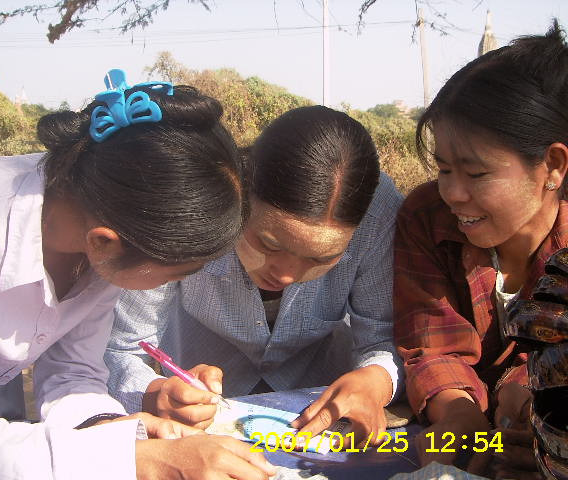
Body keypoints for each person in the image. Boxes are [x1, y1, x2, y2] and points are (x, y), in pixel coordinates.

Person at [0, 69, 275, 480]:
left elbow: (73, 372)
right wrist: (143, 464)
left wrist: (113, 430)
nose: (171, 286)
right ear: (104, 243)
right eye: (174, 273)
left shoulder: (99, 221)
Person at [106, 105, 404, 445]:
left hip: (321, 421)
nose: (287, 275)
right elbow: (121, 349)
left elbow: (383, 338)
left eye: (322, 258)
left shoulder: (379, 213)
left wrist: (376, 380)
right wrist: (153, 392)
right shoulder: (187, 205)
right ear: (241, 194)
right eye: (268, 243)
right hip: (204, 426)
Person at [393, 21, 568, 477]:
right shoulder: (426, 217)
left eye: (475, 174)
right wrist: (457, 414)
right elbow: (431, 344)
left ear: (552, 165)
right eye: (444, 169)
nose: (453, 193)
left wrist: (532, 410)